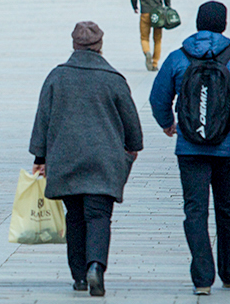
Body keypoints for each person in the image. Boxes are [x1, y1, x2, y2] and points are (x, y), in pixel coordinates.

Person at [149, 1, 230, 296]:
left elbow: (157, 97)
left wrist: (167, 123)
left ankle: (202, 278)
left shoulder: (179, 58)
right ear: (224, 24)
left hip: (190, 148)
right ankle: (229, 273)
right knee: (227, 209)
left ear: (198, 24)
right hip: (228, 149)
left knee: (195, 211)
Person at [30, 21, 143, 297]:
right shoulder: (114, 79)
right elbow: (133, 130)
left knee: (76, 218)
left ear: (74, 45)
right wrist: (130, 151)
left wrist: (40, 157)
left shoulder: (57, 77)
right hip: (104, 162)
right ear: (100, 46)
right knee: (99, 216)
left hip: (66, 160)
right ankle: (96, 267)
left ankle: (79, 277)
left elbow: (42, 119)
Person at [130, 0, 171, 71]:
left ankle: (147, 52)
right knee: (157, 39)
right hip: (158, 13)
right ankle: (154, 63)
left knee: (144, 37)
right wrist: (168, 7)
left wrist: (135, 6)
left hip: (145, 12)